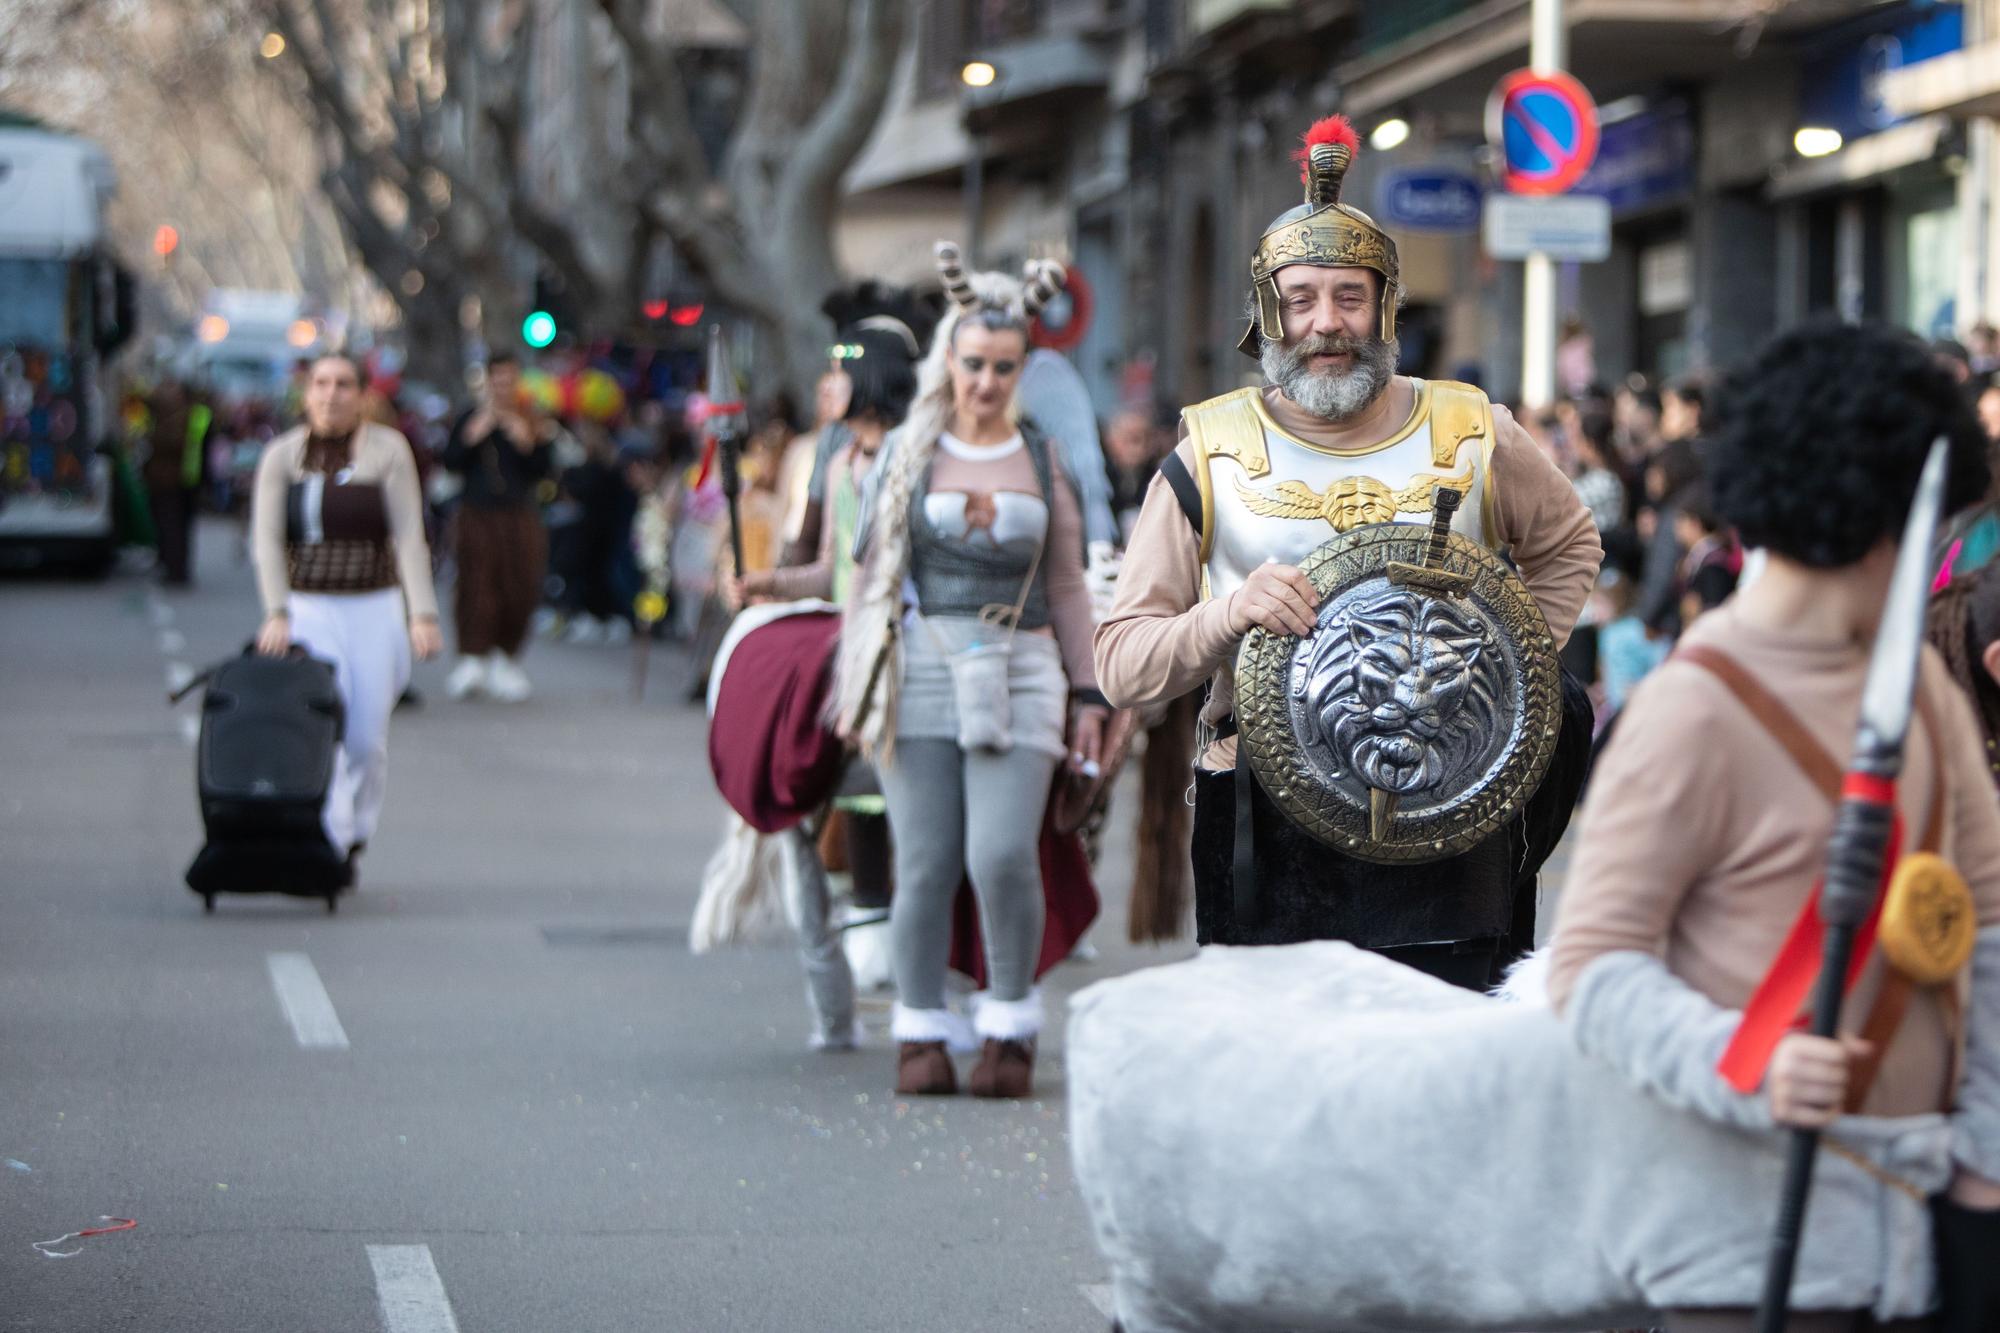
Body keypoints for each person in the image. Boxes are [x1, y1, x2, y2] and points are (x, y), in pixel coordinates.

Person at [1549, 320, 2000, 1332]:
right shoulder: (1688, 706)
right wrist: (1744, 1062)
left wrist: (1983, 1158)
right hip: (1742, 1244)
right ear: (1881, 516)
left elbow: (1989, 927)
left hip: (1919, 1234)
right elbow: (1590, 970)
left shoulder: (1922, 688)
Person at [1094, 114, 1601, 987]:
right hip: (1265, 819)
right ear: (1269, 313)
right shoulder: (1209, 452)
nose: (1327, 322)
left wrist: (1505, 670)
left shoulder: (1473, 429)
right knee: (1282, 1061)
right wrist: (1227, 616)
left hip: (1454, 816)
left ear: (1385, 305)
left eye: (1349, 297)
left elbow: (1569, 544)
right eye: (1301, 299)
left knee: (1444, 1056)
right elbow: (1121, 665)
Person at [828, 244, 1109, 1098]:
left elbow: (1068, 585)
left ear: (1023, 368)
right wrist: (852, 682)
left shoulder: (1042, 456)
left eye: (1004, 366)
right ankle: (920, 1026)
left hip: (1023, 665)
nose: (987, 381)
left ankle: (1010, 1021)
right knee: (924, 858)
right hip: (920, 664)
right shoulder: (906, 455)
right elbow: (870, 580)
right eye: (974, 363)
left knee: (1003, 853)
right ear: (947, 359)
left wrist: (1091, 692)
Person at [249, 353, 443, 876]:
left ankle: (357, 828)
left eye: (342, 385)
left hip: (374, 606)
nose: (330, 395)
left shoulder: (388, 451)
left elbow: (409, 536)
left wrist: (422, 614)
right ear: (306, 392)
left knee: (364, 738)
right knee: (323, 724)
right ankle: (328, 837)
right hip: (309, 607)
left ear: (361, 394)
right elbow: (267, 541)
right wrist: (276, 611)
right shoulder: (282, 456)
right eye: (321, 384)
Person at [441, 353, 552, 702]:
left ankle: (506, 657)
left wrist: (526, 442)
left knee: (519, 584)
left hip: (518, 515)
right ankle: (472, 657)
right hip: (477, 513)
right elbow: (450, 461)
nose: (503, 387)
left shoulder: (532, 420)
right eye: (497, 380)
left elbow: (545, 470)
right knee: (476, 584)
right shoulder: (470, 417)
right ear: (488, 381)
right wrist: (473, 435)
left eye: (509, 380)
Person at [142, 378, 212, 587]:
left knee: (173, 526)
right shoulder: (185, 414)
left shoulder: (178, 417)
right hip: (181, 479)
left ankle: (176, 569)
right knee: (176, 526)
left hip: (174, 480)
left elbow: (176, 444)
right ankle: (175, 566)